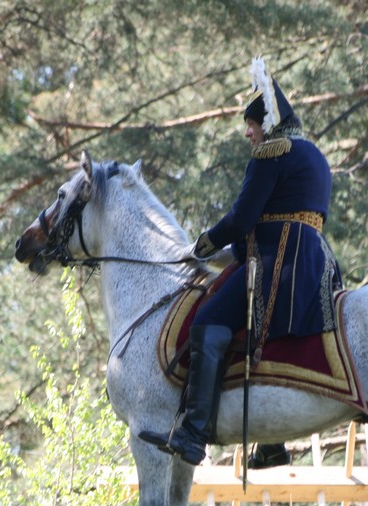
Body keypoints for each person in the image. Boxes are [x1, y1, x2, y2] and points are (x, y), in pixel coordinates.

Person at [140, 57, 343, 467]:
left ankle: (193, 432)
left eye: (251, 124)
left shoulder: (271, 152)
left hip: (276, 262)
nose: (248, 133)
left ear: (268, 122)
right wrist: (230, 254)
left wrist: (202, 245)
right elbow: (280, 220)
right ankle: (271, 442)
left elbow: (241, 220)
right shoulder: (314, 155)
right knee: (263, 339)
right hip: (316, 262)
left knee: (207, 320)